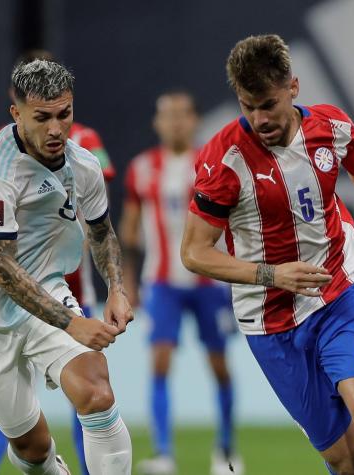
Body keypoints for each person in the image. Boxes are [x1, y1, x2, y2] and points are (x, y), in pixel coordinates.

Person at [180, 34, 354, 475]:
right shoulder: (223, 161)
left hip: (338, 290)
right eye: (248, 106)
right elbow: (194, 253)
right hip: (269, 319)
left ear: (293, 87)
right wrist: (271, 275)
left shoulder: (331, 127)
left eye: (268, 104)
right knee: (347, 460)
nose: (259, 119)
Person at [0, 58, 134, 474]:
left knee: (97, 394)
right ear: (17, 113)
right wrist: (73, 324)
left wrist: (116, 288)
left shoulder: (84, 164)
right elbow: (2, 267)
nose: (56, 129)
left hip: (45, 288)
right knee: (32, 447)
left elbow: (101, 232)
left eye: (64, 114)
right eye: (42, 118)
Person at [120, 91, 240, 475]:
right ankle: (163, 454)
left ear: (194, 120)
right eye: (167, 115)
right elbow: (129, 230)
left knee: (219, 365)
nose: (174, 122)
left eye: (182, 114)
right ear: (157, 123)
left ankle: (225, 451)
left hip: (210, 282)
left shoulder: (213, 163)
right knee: (159, 363)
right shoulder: (141, 169)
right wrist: (126, 283)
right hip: (161, 282)